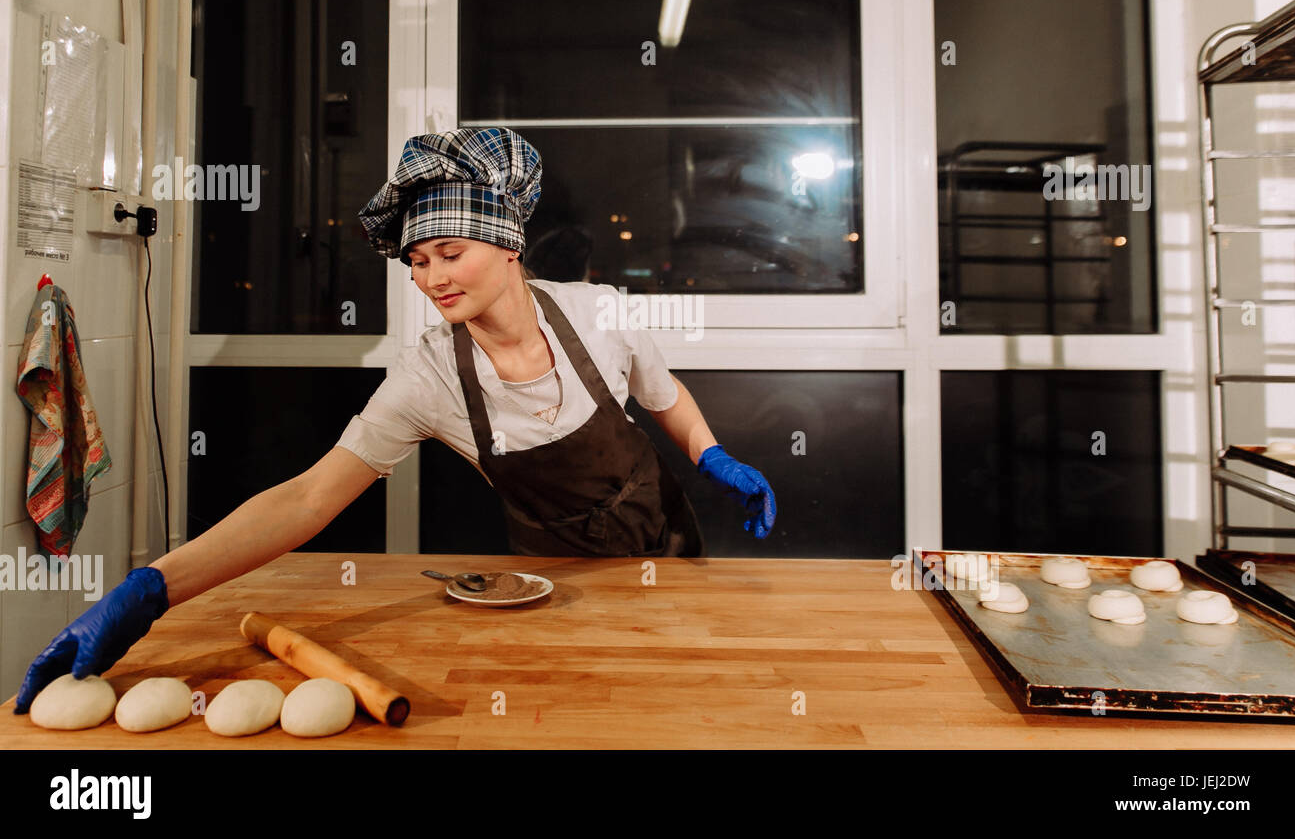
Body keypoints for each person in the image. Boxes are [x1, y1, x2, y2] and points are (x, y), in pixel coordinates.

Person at [12, 126, 776, 714]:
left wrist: (711, 457)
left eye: (449, 252)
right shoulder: (429, 375)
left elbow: (663, 394)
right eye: (417, 262)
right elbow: (307, 499)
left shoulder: (599, 312)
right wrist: (151, 588)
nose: (432, 278)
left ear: (508, 248)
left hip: (668, 553)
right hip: (549, 585)